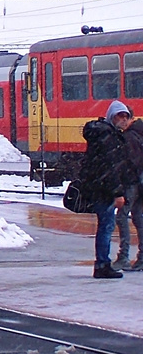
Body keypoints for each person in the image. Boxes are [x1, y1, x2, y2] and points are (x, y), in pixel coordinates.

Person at [79, 100, 130, 278]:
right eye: (120, 116)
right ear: (112, 117)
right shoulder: (108, 136)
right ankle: (102, 264)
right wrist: (117, 193)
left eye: (126, 116)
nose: (124, 120)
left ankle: (102, 263)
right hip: (103, 190)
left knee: (105, 226)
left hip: (98, 187)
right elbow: (111, 167)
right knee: (106, 226)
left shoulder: (102, 133)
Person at [117, 111, 143, 270]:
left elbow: (130, 162)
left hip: (133, 183)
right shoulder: (139, 131)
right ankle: (142, 257)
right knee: (138, 217)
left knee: (121, 216)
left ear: (125, 118)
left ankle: (124, 256)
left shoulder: (129, 137)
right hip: (141, 181)